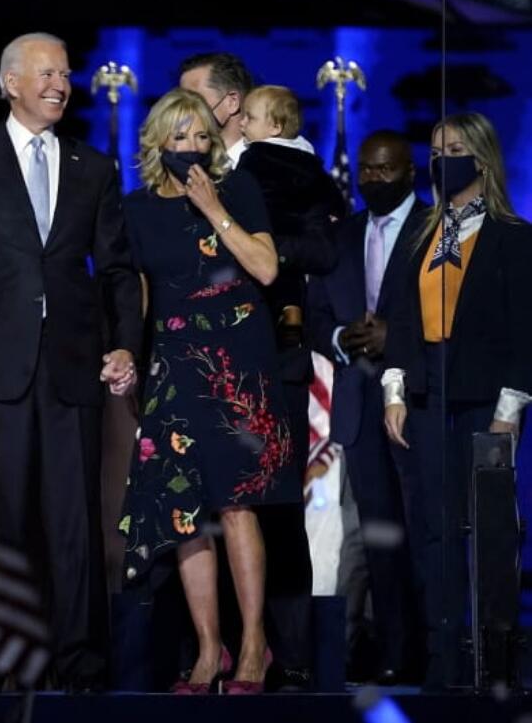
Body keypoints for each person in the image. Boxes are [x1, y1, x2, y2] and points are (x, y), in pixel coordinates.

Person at [0, 32, 143, 690]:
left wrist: (124, 342)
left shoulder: (93, 167)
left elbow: (118, 270)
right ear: (10, 82)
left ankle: (81, 666)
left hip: (72, 369)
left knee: (74, 526)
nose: (60, 84)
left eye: (65, 74)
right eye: (45, 73)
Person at [117, 88, 298, 695]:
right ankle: (207, 650)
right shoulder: (137, 209)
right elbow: (138, 296)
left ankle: (253, 645)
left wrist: (215, 207)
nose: (192, 148)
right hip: (175, 365)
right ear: (157, 145)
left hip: (237, 364)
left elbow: (267, 269)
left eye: (201, 137)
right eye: (180, 139)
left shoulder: (238, 190)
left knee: (237, 503)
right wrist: (131, 364)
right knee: (182, 512)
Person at [181, 58, 336, 689]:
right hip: (208, 361)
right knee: (208, 510)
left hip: (274, 357)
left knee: (274, 507)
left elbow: (324, 247)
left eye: (196, 101)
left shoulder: (284, 168)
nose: (187, 114)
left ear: (234, 107)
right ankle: (213, 647)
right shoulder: (193, 171)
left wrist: (260, 242)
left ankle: (289, 658)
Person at [382, 112, 532, 689]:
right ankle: (443, 662)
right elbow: (398, 314)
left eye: (457, 148)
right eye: (437, 148)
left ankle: (492, 662)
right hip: (427, 390)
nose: (444, 158)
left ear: (483, 158)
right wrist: (396, 389)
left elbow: (524, 332)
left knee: (488, 529)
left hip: (485, 396)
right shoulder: (422, 230)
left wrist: (508, 409)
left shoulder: (511, 236)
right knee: (434, 528)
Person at [305, 130, 427, 684]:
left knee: (425, 531)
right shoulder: (344, 235)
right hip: (358, 402)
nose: (374, 179)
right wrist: (339, 337)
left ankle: (438, 648)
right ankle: (396, 654)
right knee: (378, 537)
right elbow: (312, 313)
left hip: (420, 403)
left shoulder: (436, 231)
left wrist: (394, 337)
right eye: (368, 172)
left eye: (386, 170)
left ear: (410, 172)